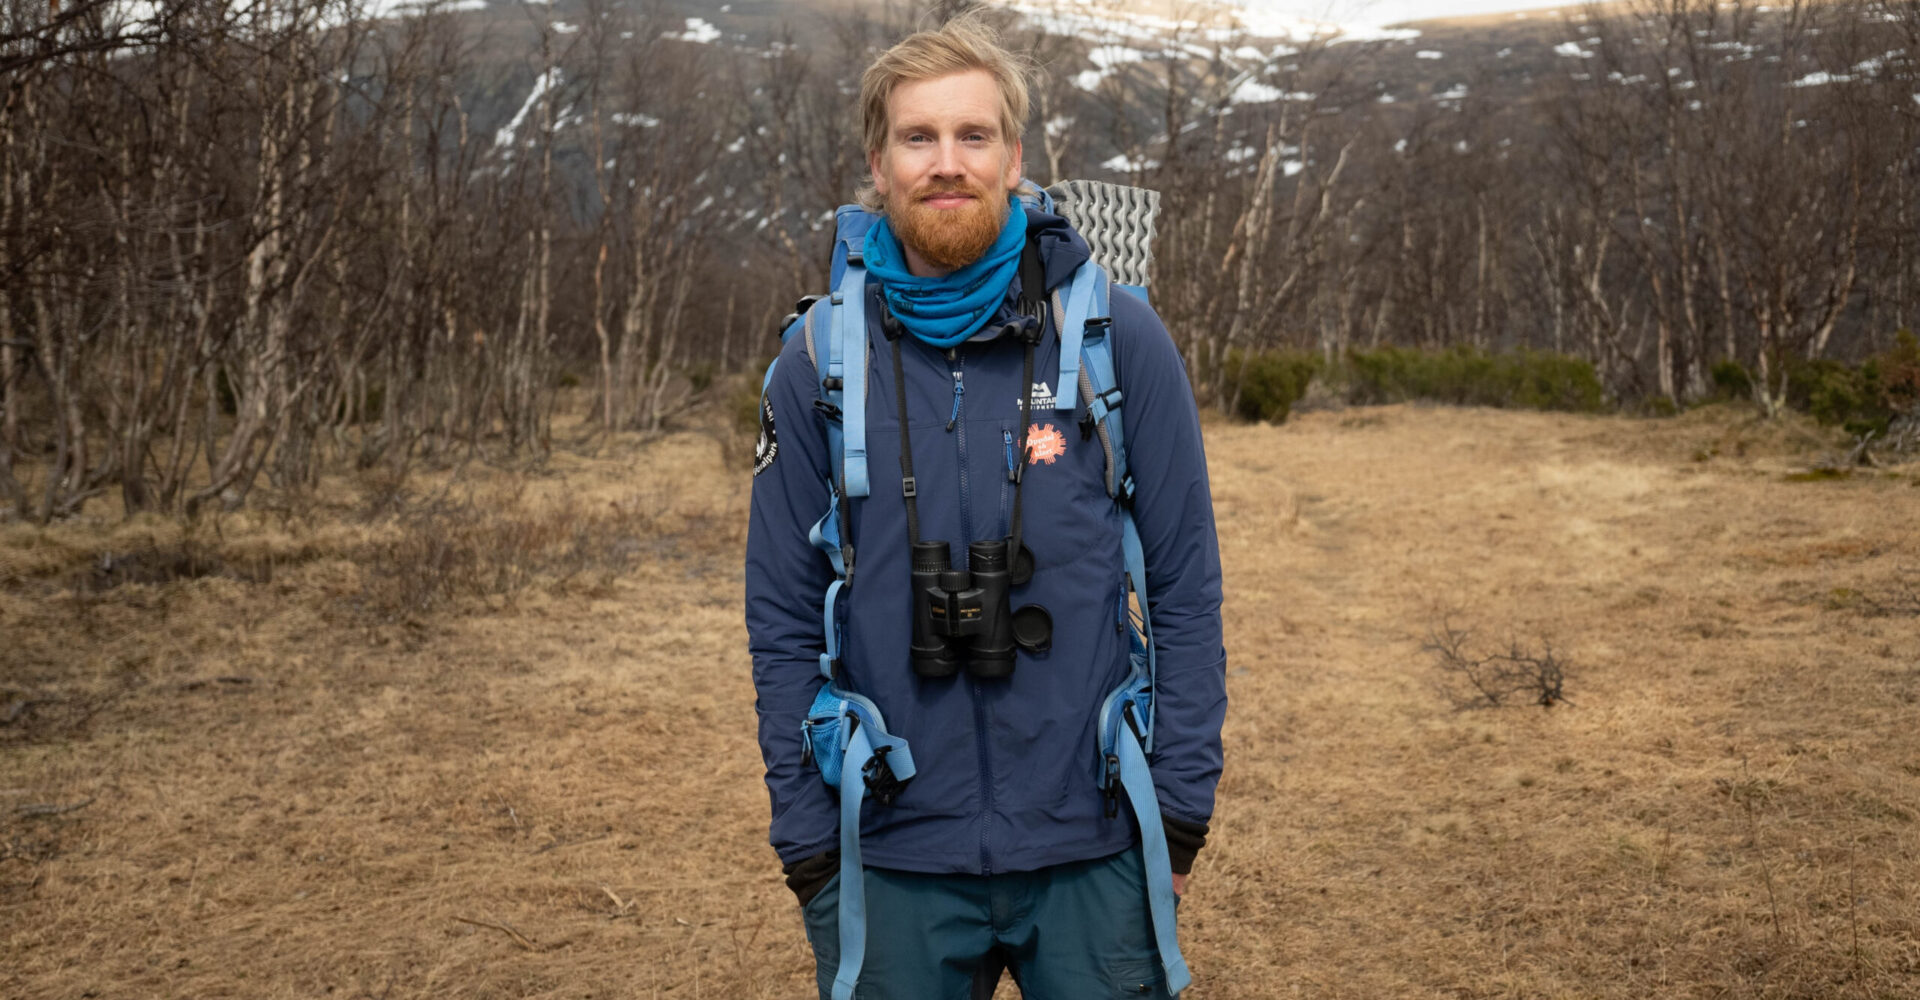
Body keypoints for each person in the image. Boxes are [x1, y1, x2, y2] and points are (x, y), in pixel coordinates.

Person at [745, 13, 1226, 999]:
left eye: (974, 136)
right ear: (876, 165)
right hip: (891, 851)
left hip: (1092, 842)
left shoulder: (1114, 338)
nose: (947, 163)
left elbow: (1186, 581)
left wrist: (1176, 809)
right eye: (918, 138)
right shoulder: (816, 366)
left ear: (1015, 156)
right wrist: (807, 842)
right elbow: (782, 613)